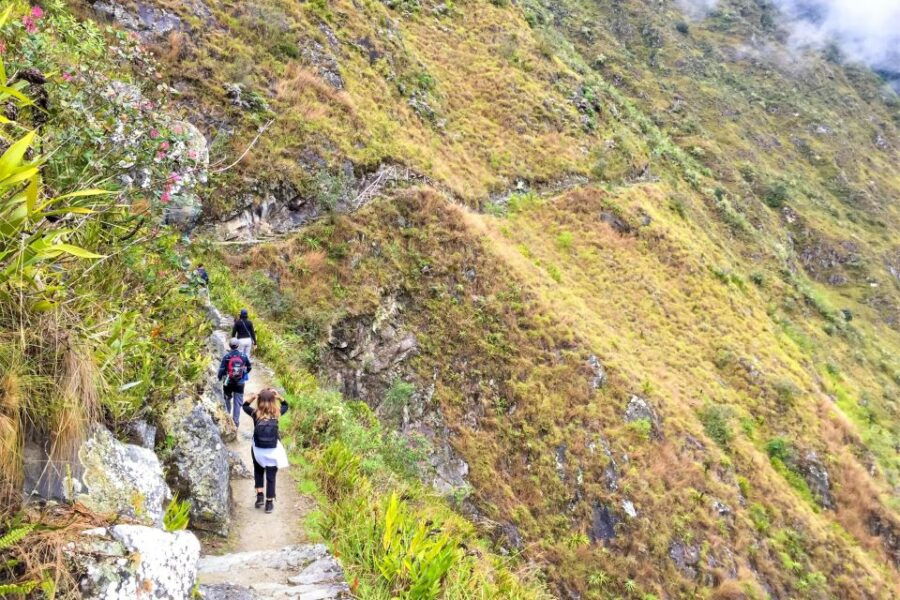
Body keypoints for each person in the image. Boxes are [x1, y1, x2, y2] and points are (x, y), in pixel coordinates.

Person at [242, 388, 289, 513]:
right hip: (273, 449)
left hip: (258, 449)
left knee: (258, 471)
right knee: (271, 476)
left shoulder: (255, 413)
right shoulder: (277, 413)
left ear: (259, 400)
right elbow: (286, 405)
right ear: (273, 400)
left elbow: (244, 406)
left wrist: (254, 396)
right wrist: (279, 397)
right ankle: (269, 503)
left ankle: (259, 497)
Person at [217, 338, 252, 426]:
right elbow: (249, 367)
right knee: (238, 403)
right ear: (238, 345)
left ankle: (228, 421)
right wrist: (244, 374)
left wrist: (219, 378)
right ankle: (236, 422)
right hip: (240, 382)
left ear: (230, 346)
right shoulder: (243, 356)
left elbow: (221, 370)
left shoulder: (227, 356)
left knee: (227, 400)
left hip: (228, 382)